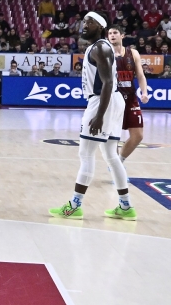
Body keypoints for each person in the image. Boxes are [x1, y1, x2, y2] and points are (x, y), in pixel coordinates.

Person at [49, 12, 134, 221]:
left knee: (86, 154)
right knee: (112, 157)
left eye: (90, 22)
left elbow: (107, 83)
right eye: (84, 21)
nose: (84, 25)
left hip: (102, 102)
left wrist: (98, 116)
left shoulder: (100, 47)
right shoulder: (99, 47)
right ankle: (125, 207)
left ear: (101, 26)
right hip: (111, 101)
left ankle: (74, 205)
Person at [108, 26, 150, 161]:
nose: (112, 35)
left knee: (138, 135)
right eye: (110, 33)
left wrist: (144, 93)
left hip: (131, 98)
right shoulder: (105, 54)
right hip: (113, 99)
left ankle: (120, 161)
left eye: (115, 33)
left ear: (122, 36)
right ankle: (115, 166)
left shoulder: (133, 53)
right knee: (113, 136)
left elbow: (141, 76)